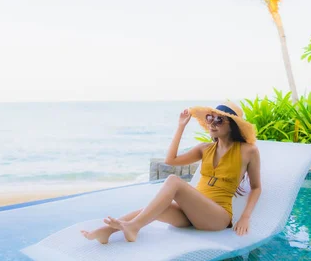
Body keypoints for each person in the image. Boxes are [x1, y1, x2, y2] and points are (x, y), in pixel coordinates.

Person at [80, 101, 261, 243]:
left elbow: (256, 187)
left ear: (233, 125)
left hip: (218, 217)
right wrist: (181, 126)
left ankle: (133, 227)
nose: (212, 123)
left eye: (219, 119)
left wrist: (245, 217)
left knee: (173, 181)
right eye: (210, 118)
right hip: (193, 214)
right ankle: (106, 232)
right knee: (156, 208)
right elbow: (170, 161)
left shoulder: (248, 150)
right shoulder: (205, 149)